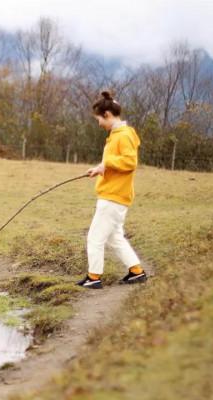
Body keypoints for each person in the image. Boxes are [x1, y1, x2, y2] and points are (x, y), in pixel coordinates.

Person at [77, 91, 147, 289]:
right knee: (115, 237)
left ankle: (94, 277)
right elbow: (115, 162)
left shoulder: (123, 135)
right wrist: (99, 168)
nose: (98, 123)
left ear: (107, 114)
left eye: (98, 119)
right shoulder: (117, 135)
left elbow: (129, 162)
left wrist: (105, 163)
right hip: (115, 194)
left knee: (95, 237)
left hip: (114, 195)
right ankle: (136, 272)